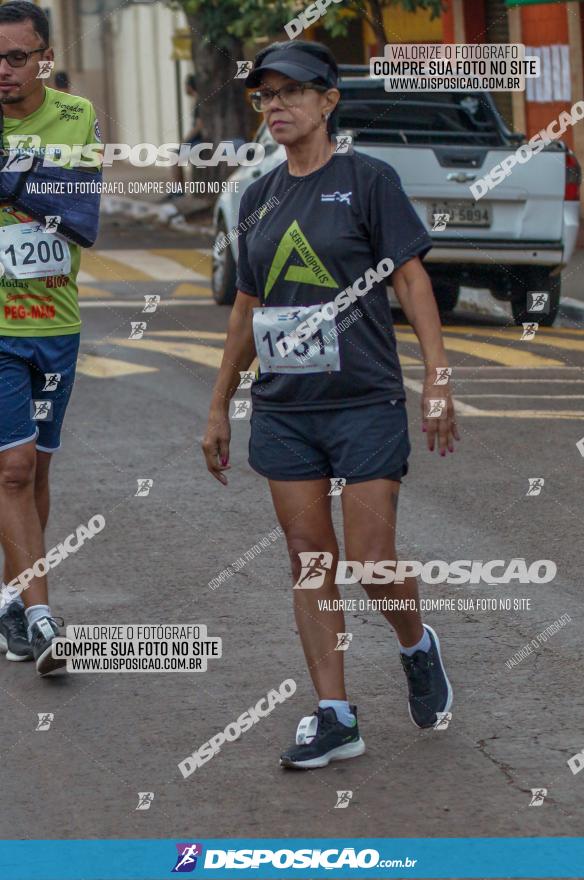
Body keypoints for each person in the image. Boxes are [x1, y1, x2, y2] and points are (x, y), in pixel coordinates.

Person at [202, 40, 459, 769]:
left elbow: (411, 284)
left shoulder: (368, 181)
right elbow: (247, 308)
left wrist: (437, 381)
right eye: (266, 96)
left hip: (365, 400)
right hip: (286, 408)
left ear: (327, 101)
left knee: (374, 561)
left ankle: (416, 644)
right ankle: (335, 715)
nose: (277, 105)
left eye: (291, 91)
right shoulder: (258, 198)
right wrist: (220, 403)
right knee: (309, 559)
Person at [0, 2, 101, 675]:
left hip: (56, 321)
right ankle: (42, 617)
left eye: (15, 57)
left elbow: (79, 214)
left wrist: (17, 188)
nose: (3, 71)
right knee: (12, 468)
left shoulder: (77, 116)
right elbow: (56, 202)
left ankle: (12, 595)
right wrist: (38, 192)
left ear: (44, 58)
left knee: (37, 471)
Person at [168, 73, 204, 197]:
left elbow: (199, 126)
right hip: (198, 141)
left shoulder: (199, 101)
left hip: (201, 142)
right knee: (175, 155)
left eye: (185, 85)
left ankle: (178, 192)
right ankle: (177, 190)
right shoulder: (197, 100)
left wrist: (184, 141)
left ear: (190, 86)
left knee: (175, 157)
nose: (184, 88)